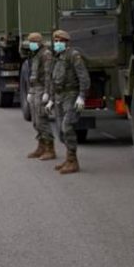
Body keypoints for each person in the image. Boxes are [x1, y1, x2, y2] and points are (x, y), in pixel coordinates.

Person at [45, 29, 90, 174]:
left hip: (71, 95)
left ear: (67, 42)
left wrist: (82, 96)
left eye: (60, 41)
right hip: (58, 97)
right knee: (60, 130)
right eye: (56, 41)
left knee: (67, 126)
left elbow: (84, 77)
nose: (57, 43)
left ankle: (73, 161)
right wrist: (51, 100)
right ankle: (68, 158)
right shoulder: (56, 57)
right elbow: (53, 80)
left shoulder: (73, 56)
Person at [25, 32, 56, 161]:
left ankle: (50, 149)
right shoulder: (35, 54)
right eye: (30, 42)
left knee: (42, 119)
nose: (30, 44)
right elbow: (33, 75)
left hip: (43, 89)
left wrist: (47, 93)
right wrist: (30, 92)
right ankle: (41, 146)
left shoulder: (46, 55)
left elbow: (49, 76)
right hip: (35, 89)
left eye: (32, 42)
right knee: (35, 121)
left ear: (38, 42)